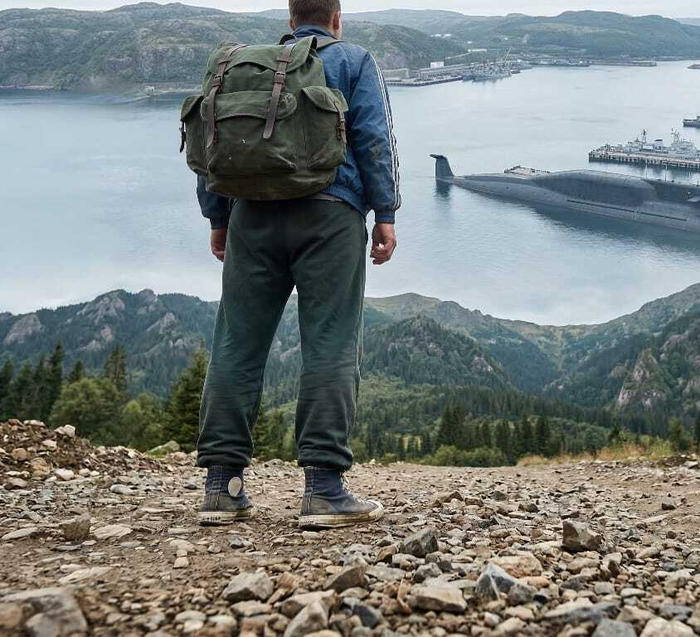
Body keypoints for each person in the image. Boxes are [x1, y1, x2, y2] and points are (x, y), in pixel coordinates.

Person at [196, 0, 401, 529]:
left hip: (251, 216)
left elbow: (213, 142)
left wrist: (218, 218)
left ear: (290, 21)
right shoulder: (353, 60)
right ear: (336, 18)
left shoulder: (244, 67)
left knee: (237, 344)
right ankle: (324, 490)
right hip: (331, 216)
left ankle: (222, 488)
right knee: (330, 343)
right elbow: (373, 140)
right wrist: (386, 213)